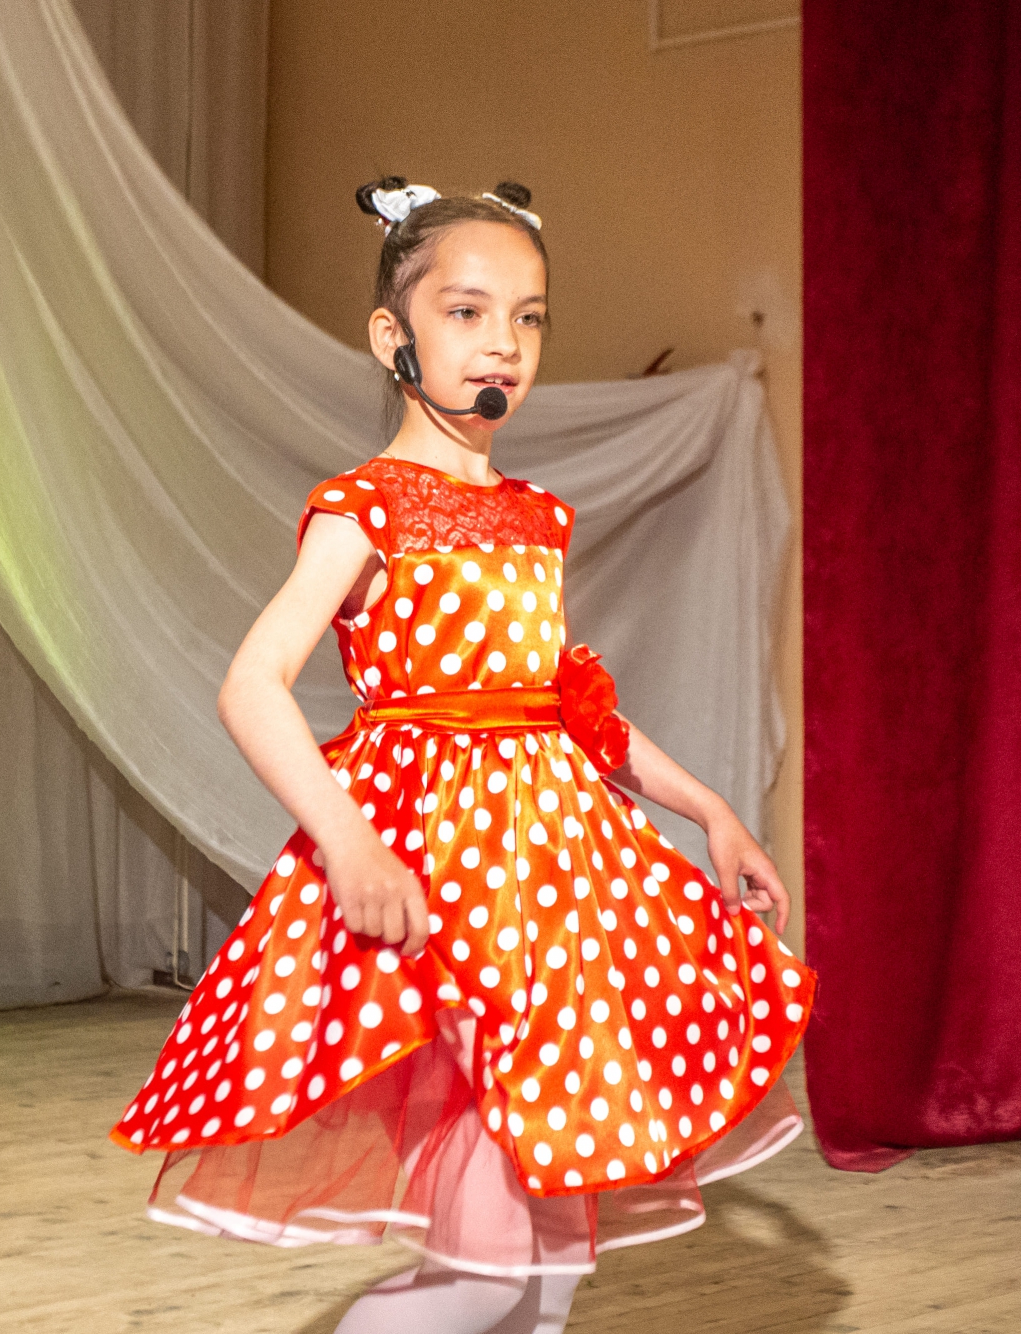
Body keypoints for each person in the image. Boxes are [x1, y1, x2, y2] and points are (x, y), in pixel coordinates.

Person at [112, 178, 815, 1334]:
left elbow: (566, 706)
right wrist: (350, 846)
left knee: (553, 1256)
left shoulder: (534, 515)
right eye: (466, 311)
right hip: (448, 885)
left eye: (527, 317)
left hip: (555, 892)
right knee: (487, 1266)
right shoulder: (365, 508)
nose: (503, 343)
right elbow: (250, 684)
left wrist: (710, 810)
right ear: (390, 334)